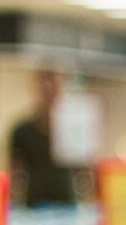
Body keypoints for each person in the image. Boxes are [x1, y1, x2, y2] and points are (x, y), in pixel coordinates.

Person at [7, 70, 77, 206]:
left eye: (53, 89)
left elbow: (84, 167)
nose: (49, 95)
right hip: (35, 202)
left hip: (67, 201)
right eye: (45, 90)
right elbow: (14, 171)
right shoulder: (22, 130)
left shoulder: (70, 127)